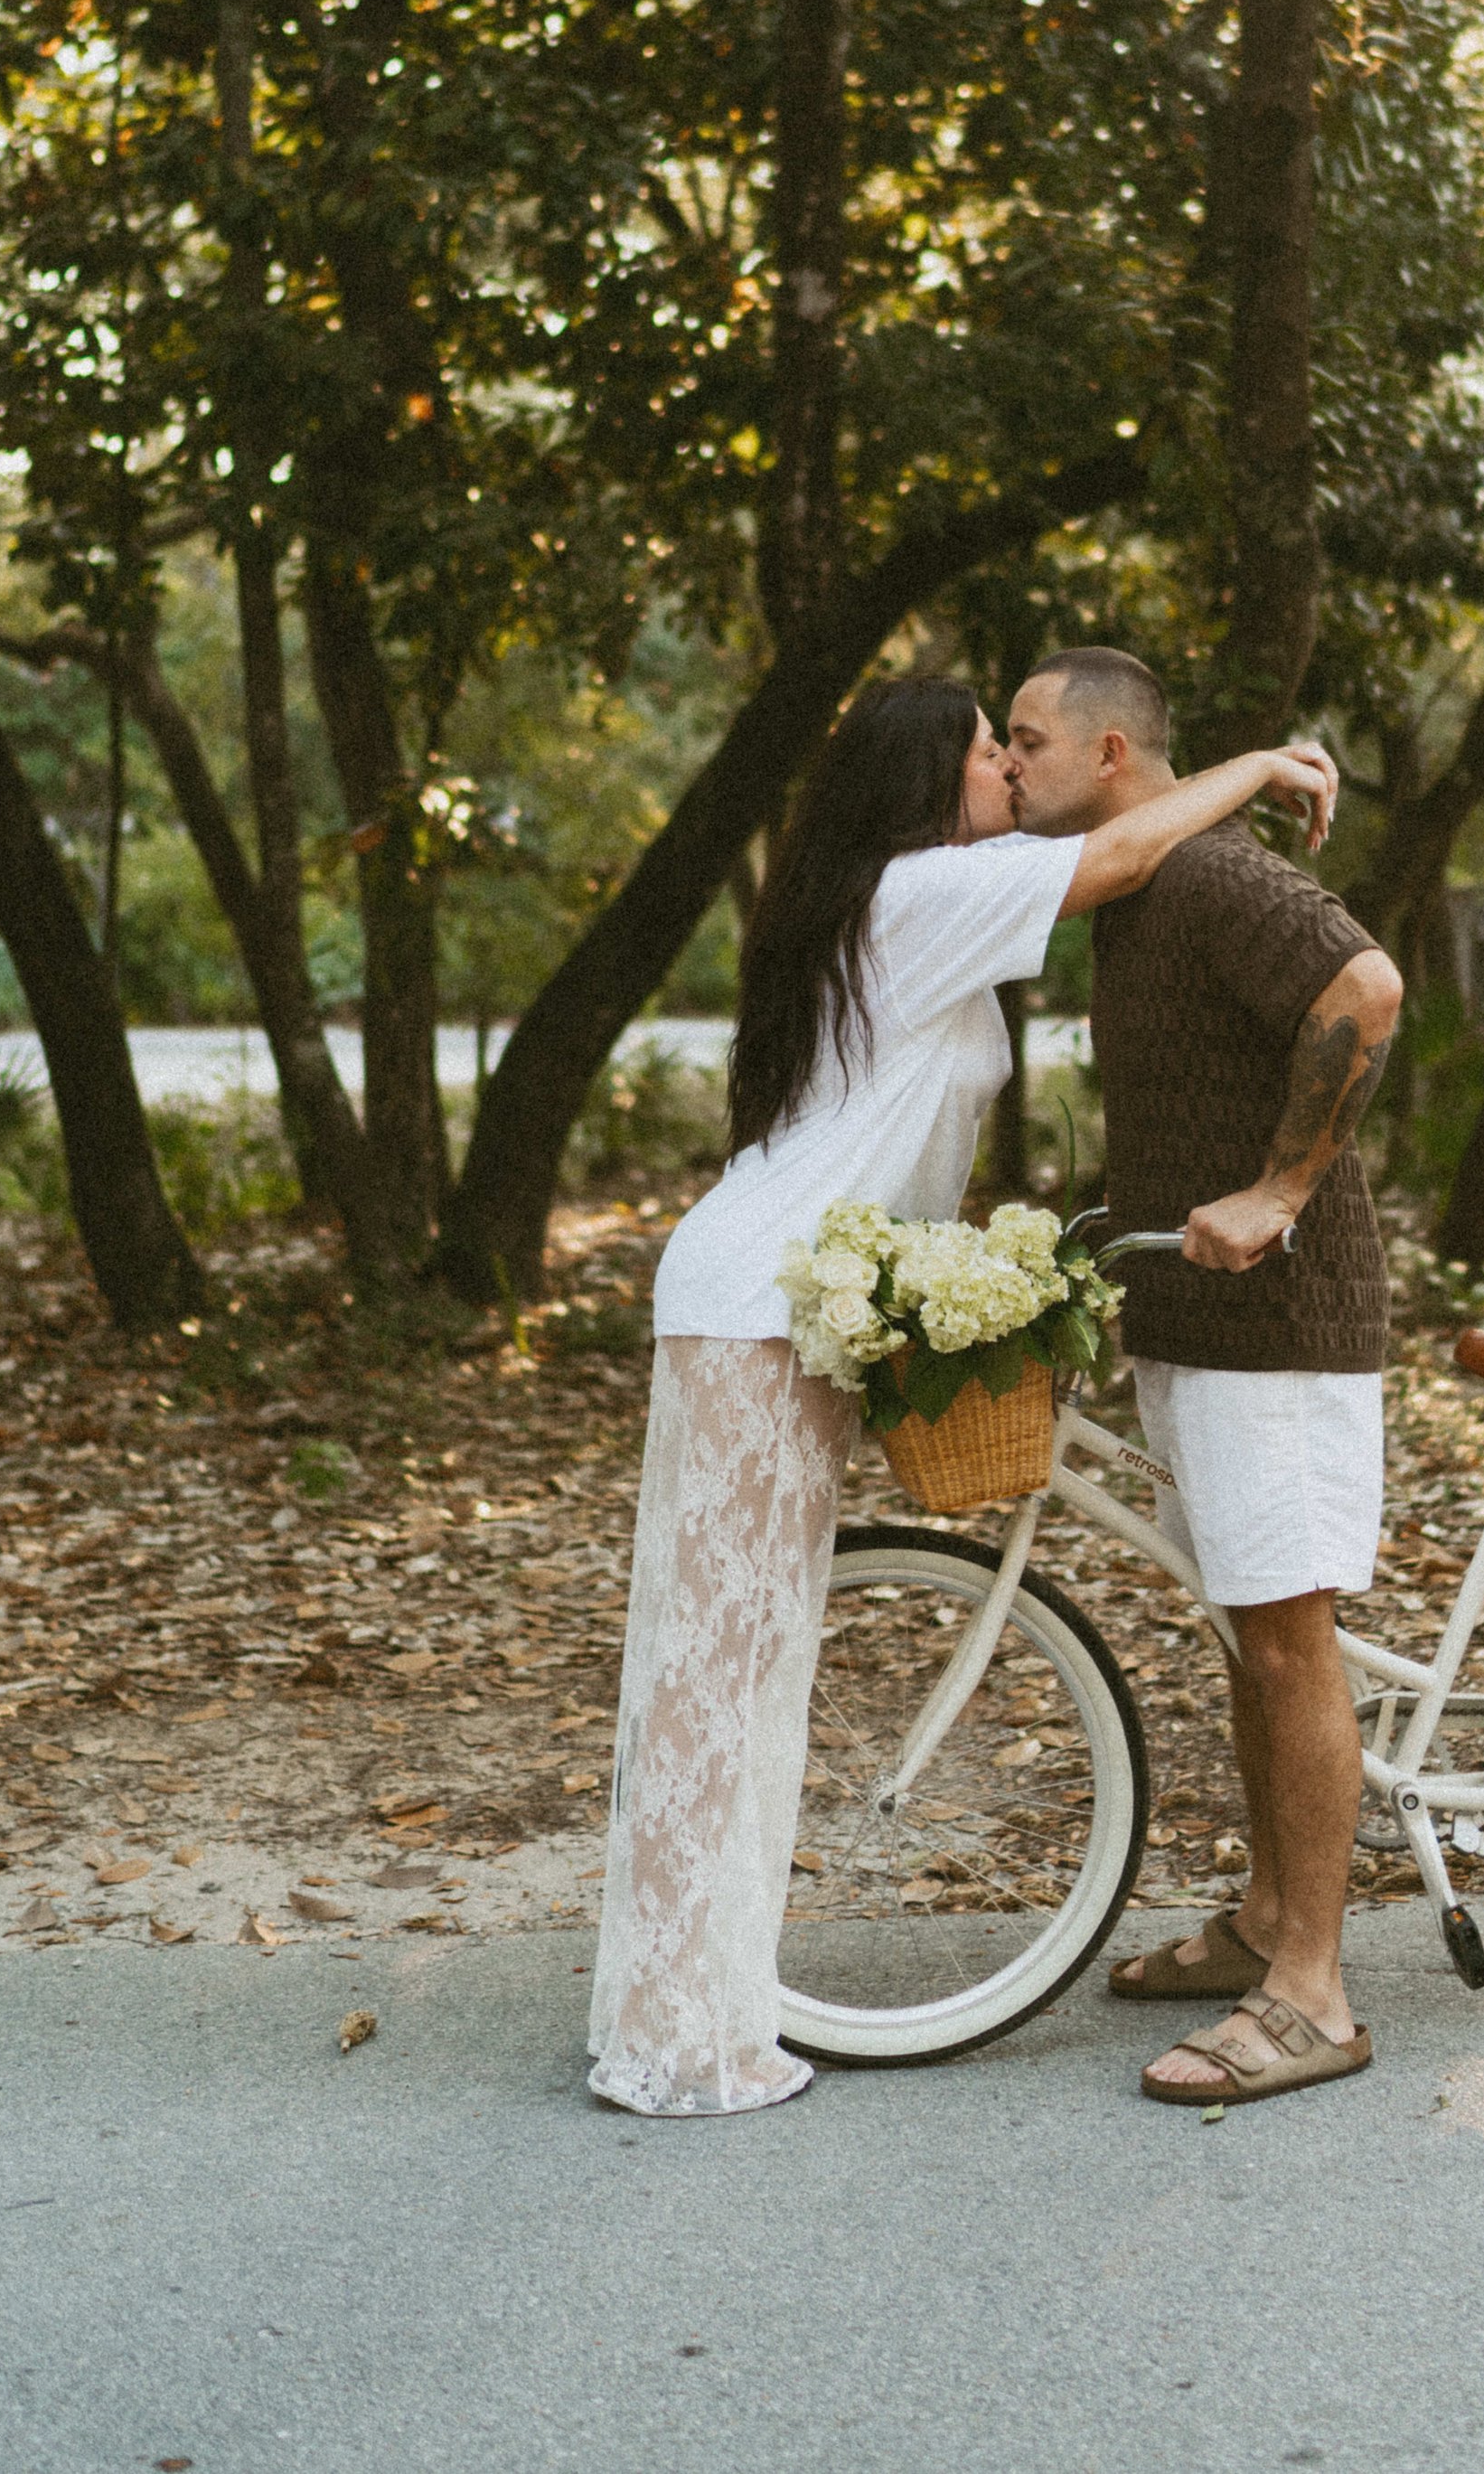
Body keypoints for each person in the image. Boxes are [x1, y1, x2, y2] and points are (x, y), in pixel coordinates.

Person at [587, 671, 1338, 2117]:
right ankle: (679, 2039)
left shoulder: (919, 890)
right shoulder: (915, 896)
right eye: (992, 751)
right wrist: (1254, 761)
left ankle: (690, 2009)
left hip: (770, 1317)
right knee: (718, 1680)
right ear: (932, 778)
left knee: (736, 1668)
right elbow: (1119, 851)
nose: (1009, 767)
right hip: (751, 1315)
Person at [1005, 646, 1404, 2109]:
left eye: (1030, 741)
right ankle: (1262, 1923)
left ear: (1114, 757)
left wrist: (1281, 1188)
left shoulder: (1218, 877)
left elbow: (1365, 986)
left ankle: (1314, 1992)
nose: (1008, 763)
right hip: (1200, 1318)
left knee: (1291, 1641)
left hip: (1278, 1315)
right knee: (1255, 1632)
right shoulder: (1139, 883)